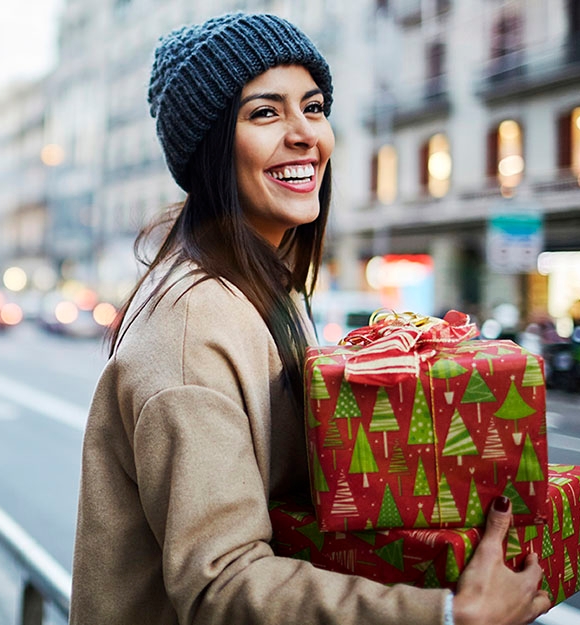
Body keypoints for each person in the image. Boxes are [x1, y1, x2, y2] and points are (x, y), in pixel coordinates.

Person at [70, 13, 551, 625]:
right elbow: (222, 585)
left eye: (314, 107)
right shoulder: (194, 329)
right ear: (212, 148)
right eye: (265, 113)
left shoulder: (269, 286)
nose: (306, 135)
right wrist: (450, 616)